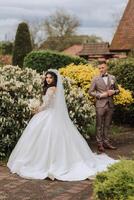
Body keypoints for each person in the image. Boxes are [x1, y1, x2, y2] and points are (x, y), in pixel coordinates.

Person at [7, 69, 118, 181]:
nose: (48, 79)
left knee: (45, 137)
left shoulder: (51, 89)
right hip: (52, 114)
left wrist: (36, 110)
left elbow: (45, 105)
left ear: (55, 79)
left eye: (51, 77)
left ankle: (44, 162)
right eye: (47, 77)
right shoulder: (54, 88)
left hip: (48, 114)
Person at [89, 60, 120, 153]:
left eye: (102, 67)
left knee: (107, 125)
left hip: (110, 104)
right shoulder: (95, 79)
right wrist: (99, 95)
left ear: (106, 67)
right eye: (99, 68)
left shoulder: (113, 78)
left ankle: (106, 142)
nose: (101, 69)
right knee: (99, 125)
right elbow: (90, 92)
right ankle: (100, 144)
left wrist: (114, 92)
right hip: (100, 105)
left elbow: (118, 90)